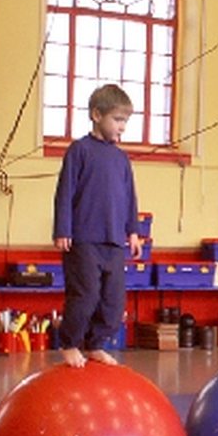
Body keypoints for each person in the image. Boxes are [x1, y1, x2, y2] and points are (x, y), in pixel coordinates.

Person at [53, 83, 143, 368]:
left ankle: (95, 344)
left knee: (113, 301)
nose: (122, 128)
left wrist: (133, 232)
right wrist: (63, 229)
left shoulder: (121, 158)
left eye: (126, 121)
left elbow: (130, 197)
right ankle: (69, 342)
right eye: (117, 120)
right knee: (85, 294)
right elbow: (64, 192)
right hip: (84, 240)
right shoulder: (79, 150)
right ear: (96, 115)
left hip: (114, 241)